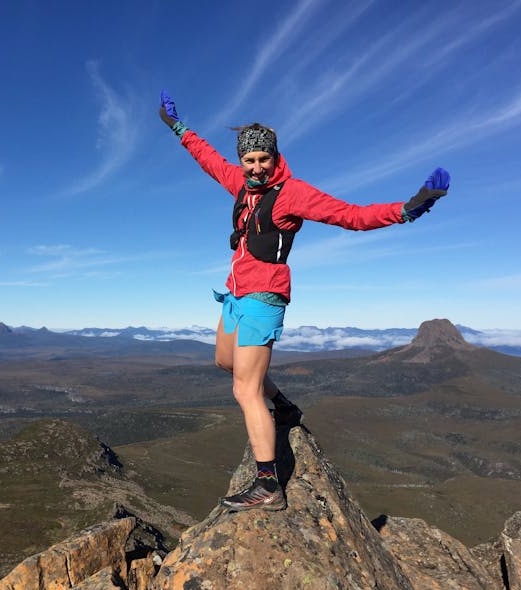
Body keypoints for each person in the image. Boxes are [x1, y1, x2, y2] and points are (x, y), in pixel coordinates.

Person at [158, 89, 450, 512]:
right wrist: (177, 127)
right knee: (225, 362)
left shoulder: (292, 193)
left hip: (264, 296)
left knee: (245, 388)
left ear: (276, 157)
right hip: (235, 293)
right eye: (250, 160)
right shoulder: (240, 183)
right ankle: (285, 406)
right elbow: (207, 158)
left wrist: (404, 210)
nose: (257, 167)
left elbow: (348, 214)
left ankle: (267, 485)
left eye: (264, 159)